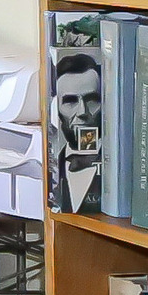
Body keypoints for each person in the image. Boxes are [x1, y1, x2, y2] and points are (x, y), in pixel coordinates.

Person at [50, 50, 102, 214]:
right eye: (70, 101)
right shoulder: (50, 169)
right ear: (56, 108)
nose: (82, 112)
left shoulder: (121, 167)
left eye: (92, 100)